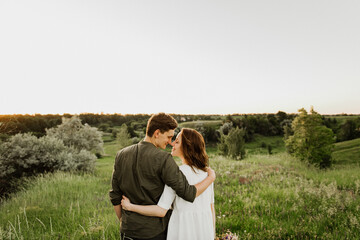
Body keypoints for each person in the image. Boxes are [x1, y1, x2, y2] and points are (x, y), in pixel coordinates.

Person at [109, 113, 215, 240]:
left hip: (128, 231)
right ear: (157, 133)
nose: (170, 142)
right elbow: (188, 193)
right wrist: (210, 178)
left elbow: (115, 195)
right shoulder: (163, 159)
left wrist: (124, 221)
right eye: (169, 137)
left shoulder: (121, 155)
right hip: (155, 233)